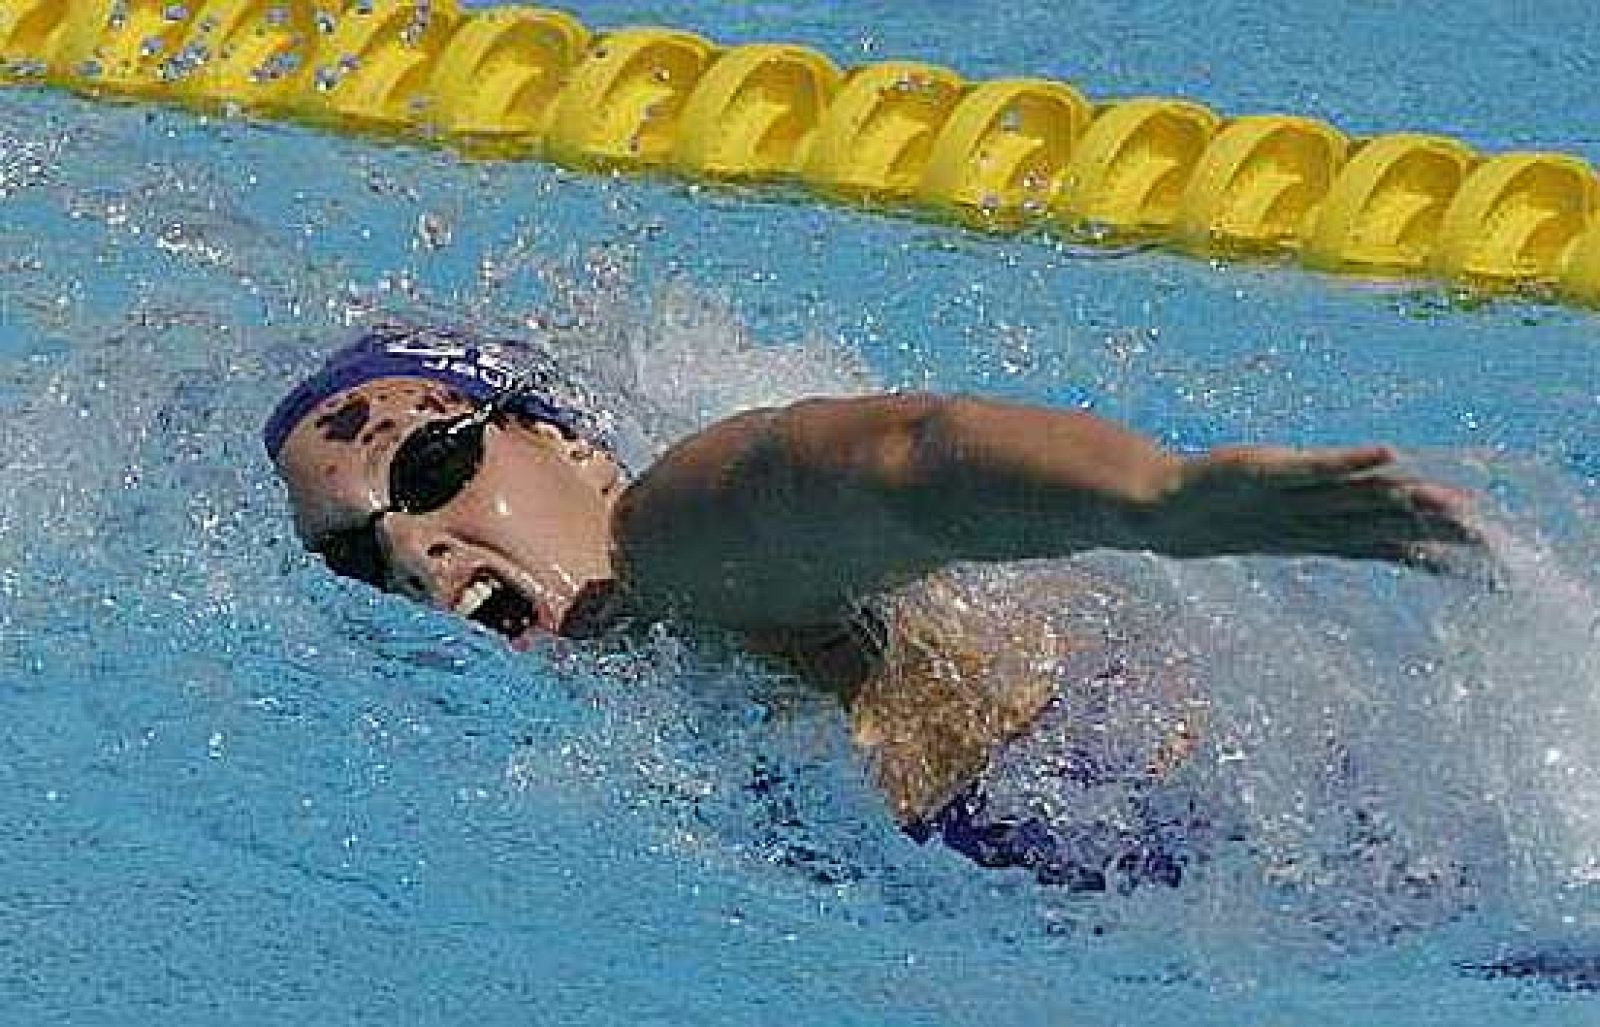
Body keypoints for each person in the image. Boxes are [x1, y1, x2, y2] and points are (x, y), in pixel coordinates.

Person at [265, 323, 1482, 889]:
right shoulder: (632, 709)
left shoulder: (678, 543)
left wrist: (1154, 501)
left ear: (570, 446)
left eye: (431, 473)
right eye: (357, 559)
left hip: (1317, 842)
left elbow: (901, 462)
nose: (420, 555)